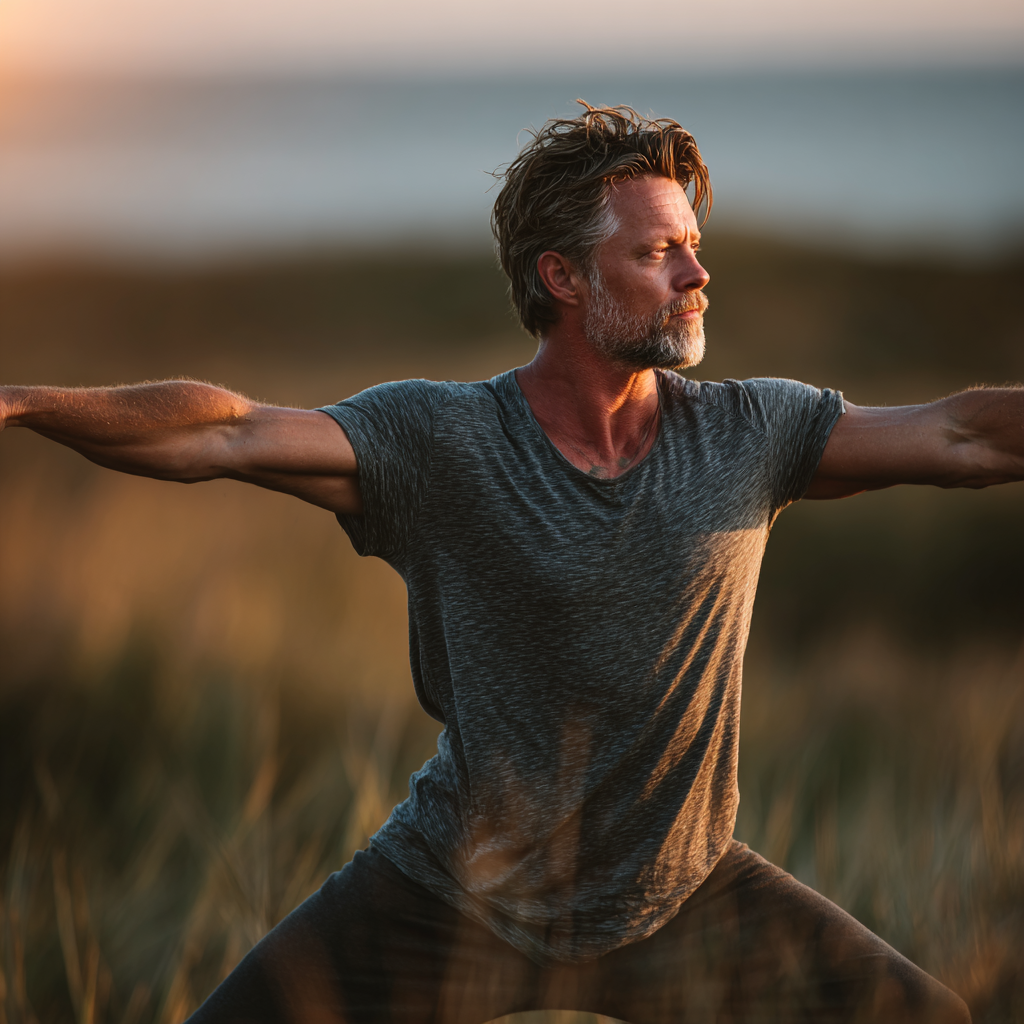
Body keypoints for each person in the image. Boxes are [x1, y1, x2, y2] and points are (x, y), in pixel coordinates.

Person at [2, 103, 1018, 1024]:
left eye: (694, 247)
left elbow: (963, 439)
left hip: (682, 898)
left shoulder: (751, 433)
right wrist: (24, 403)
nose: (698, 275)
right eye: (658, 252)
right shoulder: (440, 442)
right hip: (449, 896)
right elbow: (218, 435)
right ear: (562, 276)